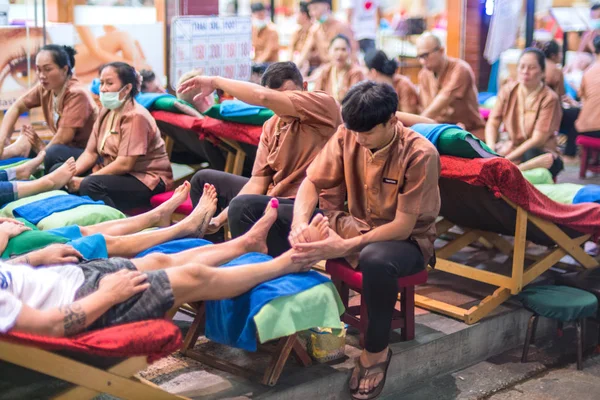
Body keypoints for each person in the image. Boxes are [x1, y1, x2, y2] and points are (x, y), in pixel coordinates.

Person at [288, 82, 440, 400]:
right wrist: (299, 223)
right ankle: (286, 325)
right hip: (355, 226)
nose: (359, 139)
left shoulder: (419, 153)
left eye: (367, 133)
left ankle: (376, 351)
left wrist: (343, 246)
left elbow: (402, 225)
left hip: (407, 242)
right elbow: (312, 180)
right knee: (259, 210)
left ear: (391, 120)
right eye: (354, 131)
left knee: (375, 258)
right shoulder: (350, 133)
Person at [0, 199, 329, 338]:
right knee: (192, 278)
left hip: (63, 277)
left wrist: (32, 259)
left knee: (158, 260)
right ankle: (287, 263)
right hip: (83, 298)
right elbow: (50, 326)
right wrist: (108, 295)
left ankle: (244, 244)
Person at [179, 62, 343, 244]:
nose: (279, 106)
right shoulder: (271, 125)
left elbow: (263, 97)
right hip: (274, 197)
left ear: (304, 88)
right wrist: (218, 220)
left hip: (311, 206)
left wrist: (215, 81)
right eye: (275, 100)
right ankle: (215, 251)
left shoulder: (324, 105)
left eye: (284, 97)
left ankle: (250, 263)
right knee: (203, 180)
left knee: (242, 207)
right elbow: (258, 182)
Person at [0, 182, 213, 264]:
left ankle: (155, 215)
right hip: (13, 257)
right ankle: (183, 228)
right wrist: (5, 233)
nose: (102, 88)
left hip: (12, 241)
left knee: (83, 230)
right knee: (104, 241)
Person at [66, 62, 173, 211]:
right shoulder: (106, 110)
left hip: (146, 179)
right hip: (119, 172)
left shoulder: (136, 116)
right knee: (62, 170)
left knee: (90, 185)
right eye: (102, 83)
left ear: (127, 88)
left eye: (109, 83)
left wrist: (85, 179)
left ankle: (117, 223)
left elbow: (124, 164)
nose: (103, 88)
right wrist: (68, 175)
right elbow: (90, 152)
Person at [0, 45, 98, 173]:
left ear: (64, 69)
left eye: (47, 69)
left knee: (53, 153)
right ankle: (14, 150)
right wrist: (3, 139)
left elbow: (63, 138)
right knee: (28, 141)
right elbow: (16, 107)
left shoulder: (77, 94)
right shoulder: (46, 87)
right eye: (38, 70)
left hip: (87, 154)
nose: (41, 75)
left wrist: (41, 152)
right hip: (64, 148)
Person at [485, 48, 564, 178]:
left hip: (539, 151)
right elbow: (493, 121)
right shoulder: (508, 90)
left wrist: (507, 158)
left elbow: (538, 140)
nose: (525, 72)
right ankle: (511, 168)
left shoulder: (549, 98)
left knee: (532, 154)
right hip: (513, 147)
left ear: (543, 72)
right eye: (522, 67)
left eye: (531, 67)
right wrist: (490, 149)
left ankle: (516, 169)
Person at [417, 33, 485, 140]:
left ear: (441, 50)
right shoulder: (424, 75)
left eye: (425, 55)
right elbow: (428, 110)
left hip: (470, 132)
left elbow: (442, 100)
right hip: (441, 131)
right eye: (419, 57)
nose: (422, 61)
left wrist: (416, 125)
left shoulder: (460, 69)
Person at [295, 0, 358, 69]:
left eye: (315, 8)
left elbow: (353, 55)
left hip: (343, 70)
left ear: (327, 7)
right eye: (310, 10)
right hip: (325, 70)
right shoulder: (315, 30)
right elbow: (304, 54)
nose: (313, 13)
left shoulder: (342, 27)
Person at [564, 36, 600, 156]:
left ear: (594, 51)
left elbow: (584, 101)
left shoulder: (588, 72)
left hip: (585, 128)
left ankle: (570, 154)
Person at [365, 49, 420, 114]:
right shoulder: (377, 87)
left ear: (373, 72)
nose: (365, 74)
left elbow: (410, 117)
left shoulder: (404, 86)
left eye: (365, 69)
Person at [313, 35, 365, 102]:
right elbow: (315, 96)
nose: (339, 53)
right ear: (329, 51)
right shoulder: (325, 71)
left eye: (343, 49)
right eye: (336, 49)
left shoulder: (356, 72)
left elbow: (354, 101)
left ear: (350, 51)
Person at [290, 2, 320, 75]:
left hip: (313, 69)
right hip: (297, 66)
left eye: (296, 13)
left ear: (304, 15)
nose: (294, 16)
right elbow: (290, 51)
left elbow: (309, 54)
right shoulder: (296, 32)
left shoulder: (316, 31)